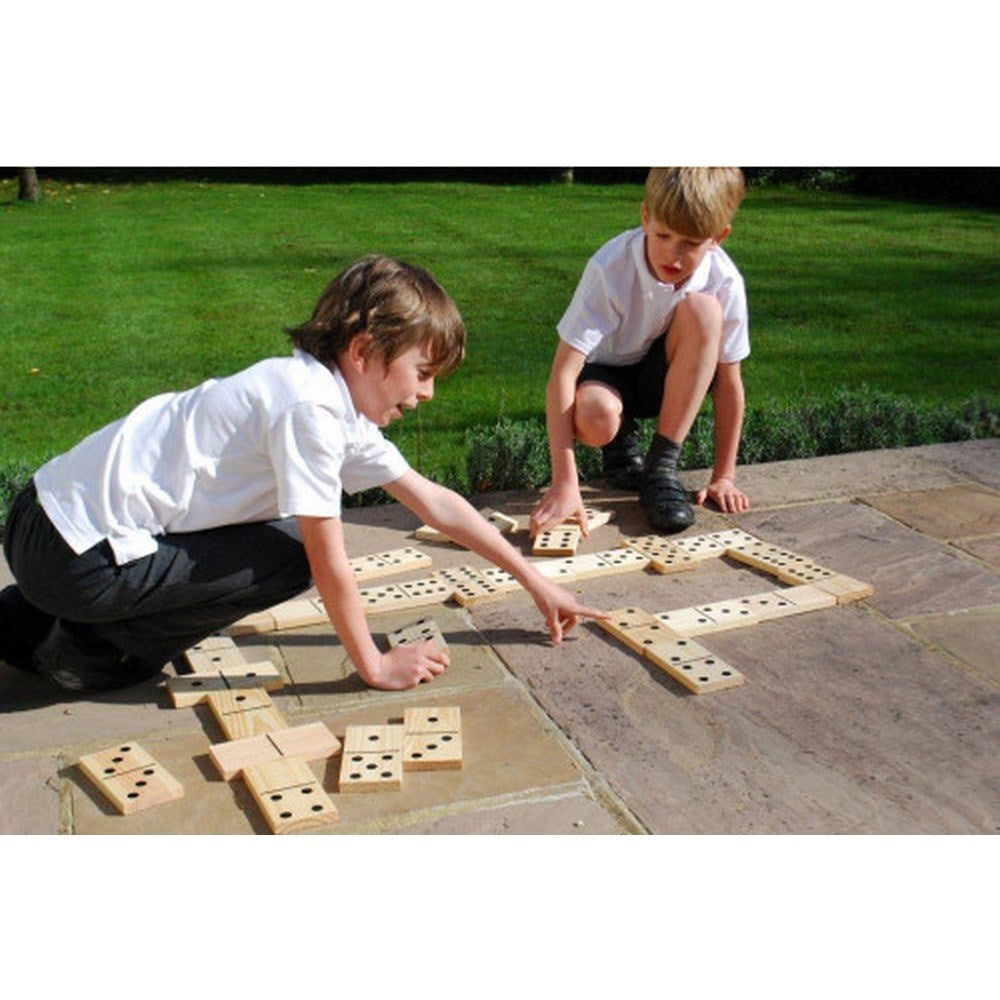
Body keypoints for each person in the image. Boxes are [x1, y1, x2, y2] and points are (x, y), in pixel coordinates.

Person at [1, 254, 606, 695]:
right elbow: (327, 560)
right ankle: (93, 655)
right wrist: (373, 664)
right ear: (364, 350)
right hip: (72, 557)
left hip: (44, 523)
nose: (427, 394)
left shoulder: (320, 396)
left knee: (277, 535)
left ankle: (20, 620)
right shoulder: (308, 410)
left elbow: (436, 503)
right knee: (290, 550)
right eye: (422, 373)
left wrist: (534, 582)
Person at [530, 167, 751, 539]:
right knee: (596, 415)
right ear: (645, 216)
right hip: (605, 374)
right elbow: (562, 376)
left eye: (691, 243)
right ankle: (617, 448)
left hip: (664, 379)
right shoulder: (611, 267)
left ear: (717, 238)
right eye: (663, 235)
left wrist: (724, 477)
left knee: (705, 311)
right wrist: (564, 483)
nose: (673, 255)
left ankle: (661, 470)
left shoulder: (724, 280)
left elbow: (729, 382)